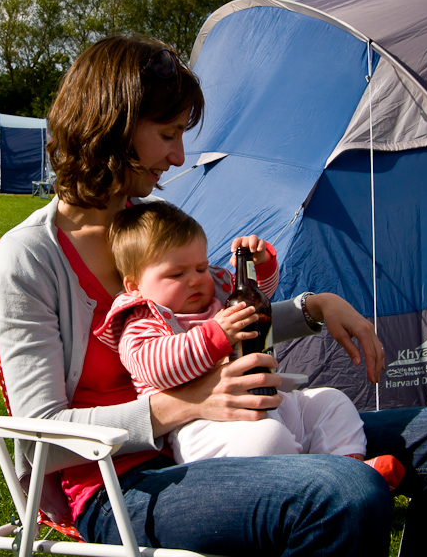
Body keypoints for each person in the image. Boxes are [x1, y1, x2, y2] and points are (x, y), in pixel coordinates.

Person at [0, 33, 427, 557]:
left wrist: (312, 308)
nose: (179, 155)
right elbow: (40, 437)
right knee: (345, 493)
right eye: (168, 134)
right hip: (124, 485)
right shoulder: (32, 256)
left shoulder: (147, 229)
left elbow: (209, 322)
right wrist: (184, 404)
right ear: (114, 127)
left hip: (232, 434)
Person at [94, 200, 405, 490]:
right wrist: (216, 334)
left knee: (331, 402)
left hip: (269, 400)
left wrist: (261, 265)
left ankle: (350, 468)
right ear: (134, 286)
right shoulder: (142, 321)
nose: (195, 280)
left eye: (201, 268)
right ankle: (319, 483)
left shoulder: (215, 295)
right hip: (205, 425)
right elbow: (155, 368)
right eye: (177, 273)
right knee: (267, 438)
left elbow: (257, 303)